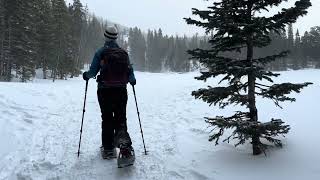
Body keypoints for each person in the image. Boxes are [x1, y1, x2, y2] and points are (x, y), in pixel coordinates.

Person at [82, 26, 136, 162]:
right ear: (116, 37)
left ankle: (108, 149)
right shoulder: (123, 52)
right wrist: (132, 80)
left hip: (105, 90)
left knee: (107, 118)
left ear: (105, 36)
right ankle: (124, 147)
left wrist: (86, 76)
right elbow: (130, 72)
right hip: (121, 91)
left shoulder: (100, 52)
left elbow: (92, 72)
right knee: (121, 118)